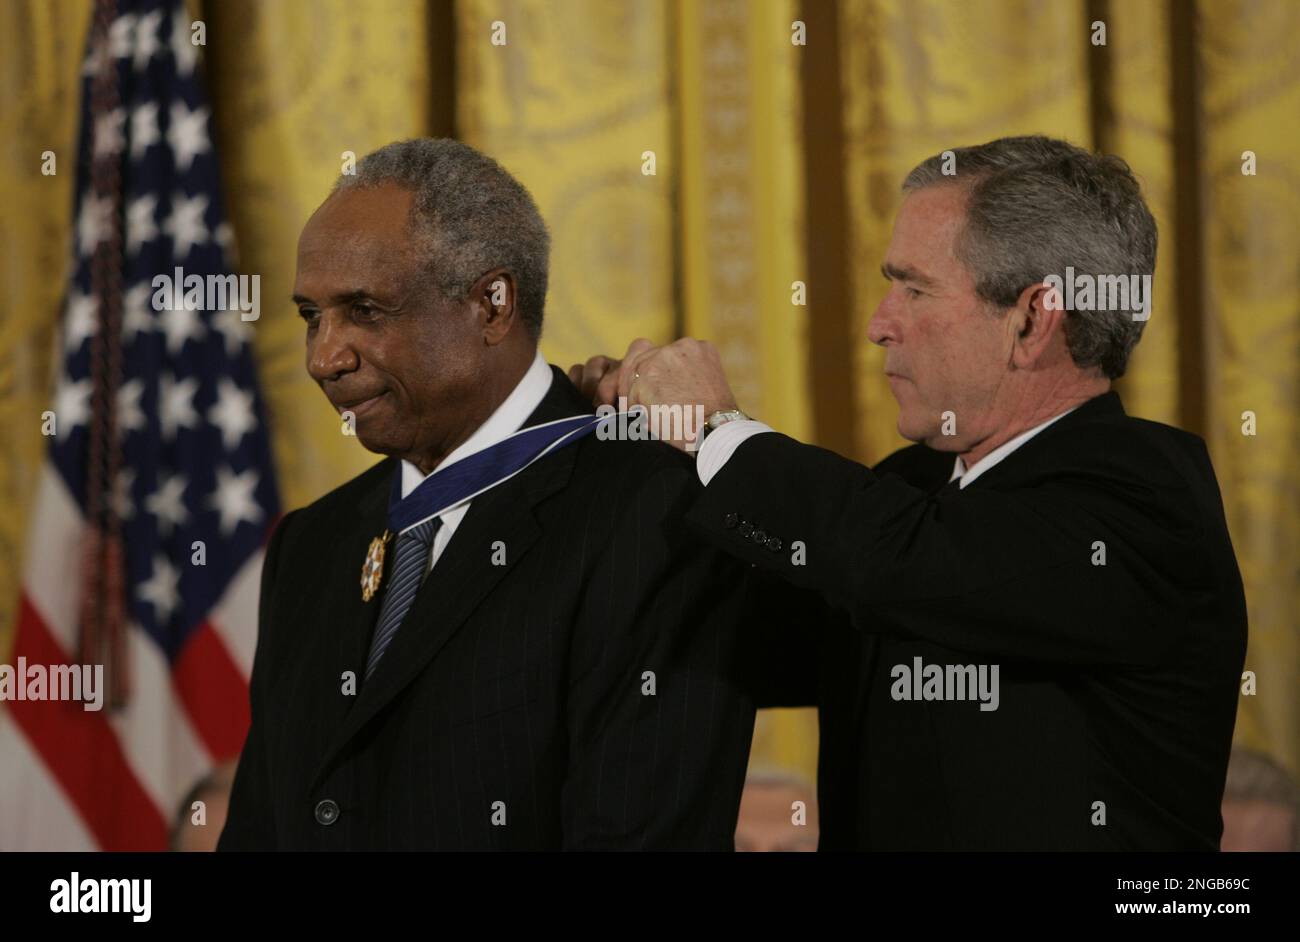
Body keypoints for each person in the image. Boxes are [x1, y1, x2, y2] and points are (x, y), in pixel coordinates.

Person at [573, 135, 1249, 850]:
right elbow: (730, 633)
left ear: (1032, 320)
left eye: (915, 288)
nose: (878, 324)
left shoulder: (1145, 502)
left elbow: (907, 561)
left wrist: (714, 428)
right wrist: (621, 453)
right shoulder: (913, 489)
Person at [218, 138, 755, 850]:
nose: (325, 356)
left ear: (493, 305)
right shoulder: (312, 543)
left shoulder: (655, 516)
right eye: (311, 315)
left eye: (365, 310)